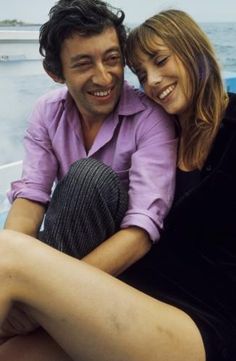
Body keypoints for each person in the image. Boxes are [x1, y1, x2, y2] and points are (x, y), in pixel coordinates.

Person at [1, 7, 233, 361]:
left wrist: (47, 294)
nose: (152, 81)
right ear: (56, 73)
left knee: (13, 251)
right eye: (141, 72)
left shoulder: (162, 121)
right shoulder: (182, 133)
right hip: (134, 293)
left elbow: (142, 229)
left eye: (160, 60)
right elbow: (31, 196)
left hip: (200, 321)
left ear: (193, 50)